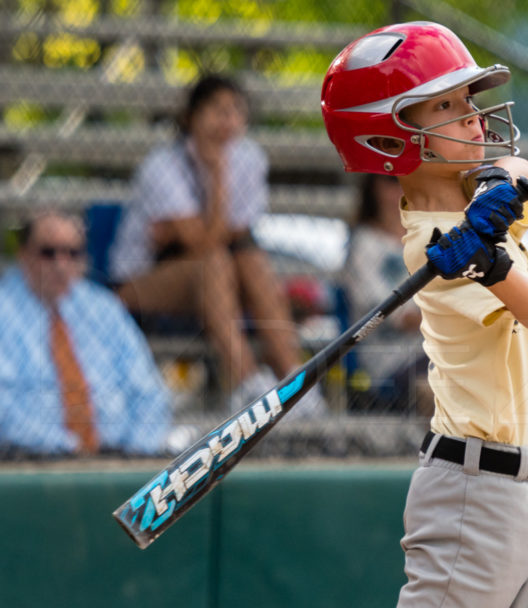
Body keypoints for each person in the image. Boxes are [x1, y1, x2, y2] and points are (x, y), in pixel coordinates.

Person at [321, 21, 528, 608]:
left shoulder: (470, 202)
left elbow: (520, 170)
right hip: (472, 498)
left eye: (468, 100)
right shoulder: (435, 250)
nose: (474, 117)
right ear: (390, 135)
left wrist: (493, 198)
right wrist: (488, 265)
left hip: (510, 496)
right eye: (447, 106)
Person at [108, 73, 323, 412]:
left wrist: (191, 227)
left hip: (217, 274)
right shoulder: (162, 165)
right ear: (190, 116)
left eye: (235, 110)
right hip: (140, 282)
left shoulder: (250, 158)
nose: (227, 120)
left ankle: (298, 382)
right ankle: (249, 385)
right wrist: (218, 178)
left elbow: (238, 236)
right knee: (215, 262)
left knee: (250, 261)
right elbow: (203, 246)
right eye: (216, 110)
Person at [0, 210, 171, 455]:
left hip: (118, 456)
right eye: (48, 253)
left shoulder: (103, 308)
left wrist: (134, 452)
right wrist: (70, 448)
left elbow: (149, 392)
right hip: (30, 459)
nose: (61, 264)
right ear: (24, 255)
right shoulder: (4, 310)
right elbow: (4, 411)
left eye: (72, 253)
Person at [341, 173, 428, 412]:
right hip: (390, 360)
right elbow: (393, 315)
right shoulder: (363, 243)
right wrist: (446, 315)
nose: (401, 188)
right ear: (373, 187)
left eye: (406, 178)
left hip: (434, 349)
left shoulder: (426, 237)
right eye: (391, 180)